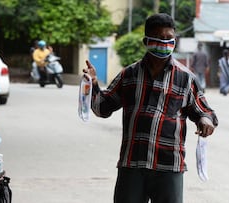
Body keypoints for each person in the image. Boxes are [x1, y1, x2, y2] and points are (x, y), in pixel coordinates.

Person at [83, 13, 218, 203]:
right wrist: (92, 84)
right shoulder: (128, 75)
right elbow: (102, 108)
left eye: (169, 39)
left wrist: (205, 120)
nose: (165, 44)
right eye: (159, 39)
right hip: (132, 164)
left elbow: (204, 111)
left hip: (169, 167)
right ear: (147, 41)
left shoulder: (186, 78)